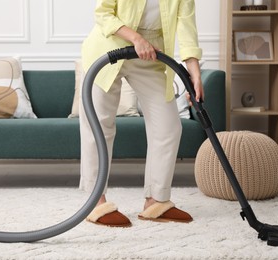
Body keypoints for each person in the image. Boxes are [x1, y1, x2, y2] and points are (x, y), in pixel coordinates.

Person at [79, 0, 204, 227]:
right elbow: (104, 13)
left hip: (150, 54)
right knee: (99, 124)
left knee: (168, 127)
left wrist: (194, 72)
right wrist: (136, 39)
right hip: (109, 46)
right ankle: (95, 201)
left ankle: (156, 200)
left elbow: (186, 26)